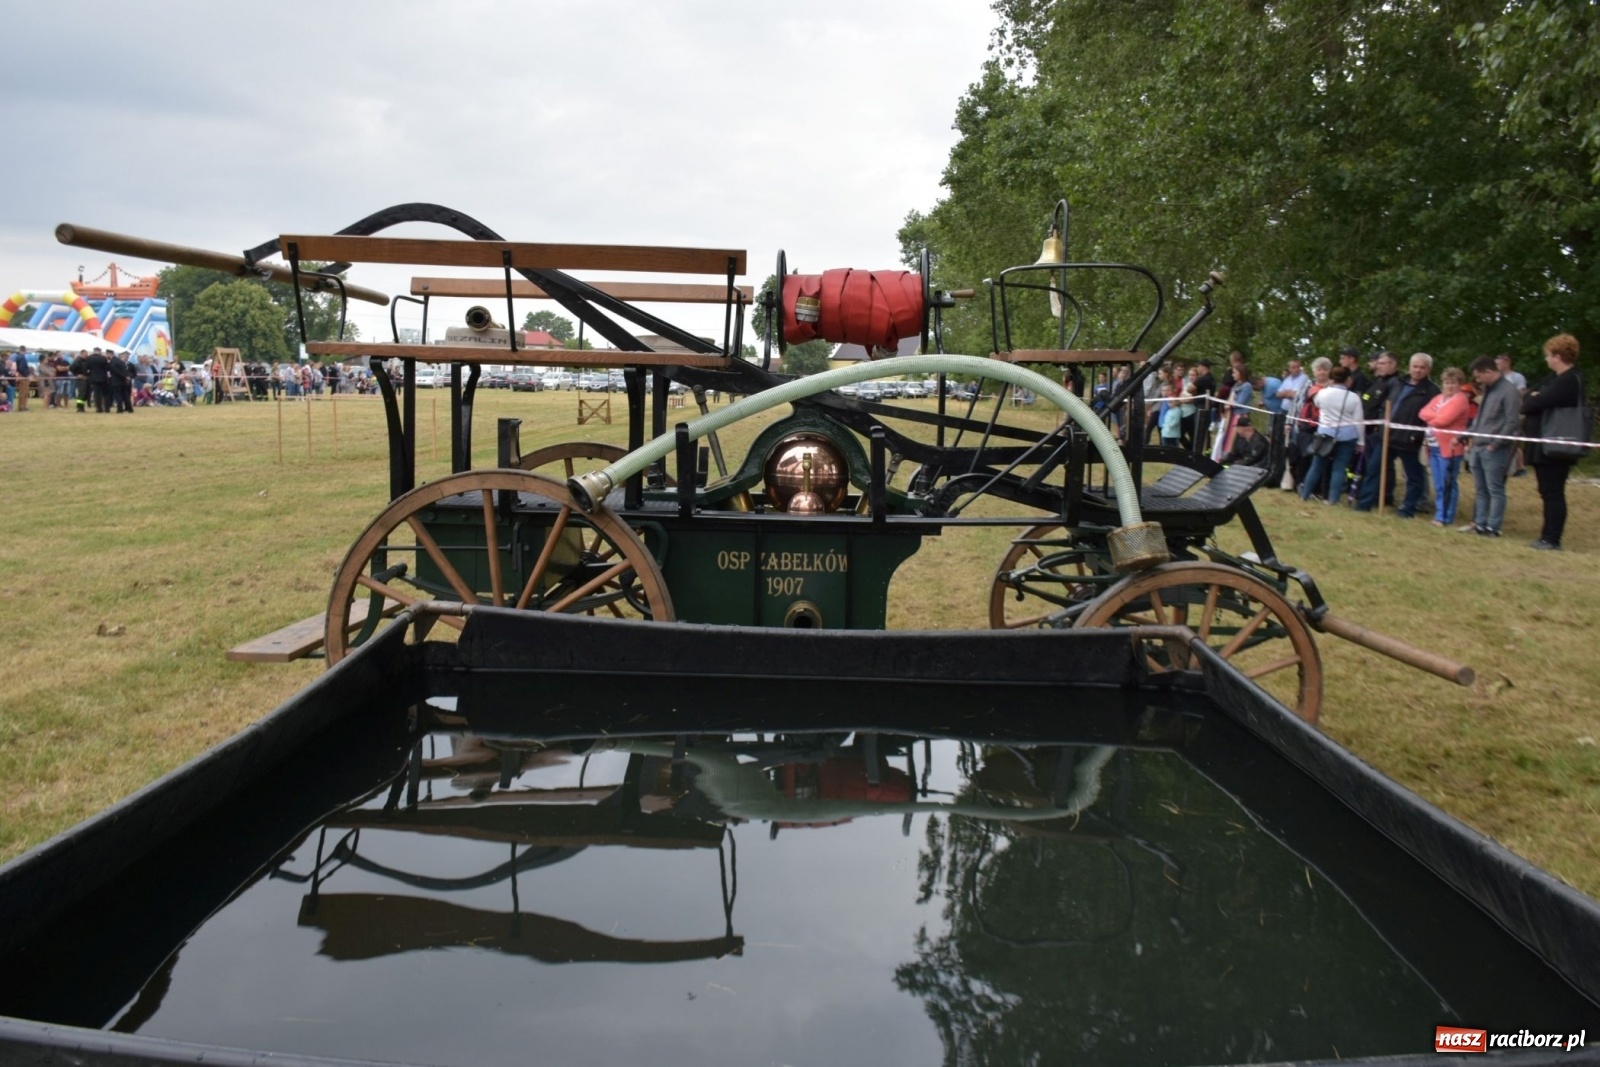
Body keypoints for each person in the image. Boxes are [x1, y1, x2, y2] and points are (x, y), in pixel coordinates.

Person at [1520, 333, 1584, 551]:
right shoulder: (1553, 379)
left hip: (1557, 444)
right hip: (1543, 443)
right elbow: (1527, 399)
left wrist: (1537, 398)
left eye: (1548, 355)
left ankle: (1552, 538)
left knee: (1553, 491)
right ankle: (1546, 536)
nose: (1546, 360)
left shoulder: (1570, 380)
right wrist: (1534, 397)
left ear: (1557, 356)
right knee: (1546, 490)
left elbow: (1533, 404)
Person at [1464, 354, 1521, 537]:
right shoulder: (1487, 389)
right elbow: (1480, 419)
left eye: (1479, 376)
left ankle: (1493, 527)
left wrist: (1495, 444)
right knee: (1481, 489)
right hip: (1478, 446)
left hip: (1494, 449)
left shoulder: (1509, 390)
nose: (1477, 380)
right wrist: (1466, 437)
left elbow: (1512, 422)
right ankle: (1479, 524)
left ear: (1488, 372)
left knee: (1495, 489)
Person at [1386, 353, 1440, 518]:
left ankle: (1408, 508)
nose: (1417, 370)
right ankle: (1378, 500)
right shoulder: (1397, 383)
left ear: (1428, 370)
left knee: (1413, 475)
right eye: (1415, 366)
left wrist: (1417, 434)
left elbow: (1431, 416)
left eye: (1422, 367)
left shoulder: (1431, 391)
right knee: (1379, 468)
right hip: (1389, 434)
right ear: (1409, 367)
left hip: (1410, 438)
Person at [1299, 365, 1363, 504]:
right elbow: (1359, 421)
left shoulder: (1322, 393)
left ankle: (1305, 494)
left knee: (1316, 466)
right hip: (1347, 435)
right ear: (1348, 379)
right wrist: (1361, 441)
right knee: (1339, 468)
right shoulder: (1354, 398)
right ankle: (1333, 499)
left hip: (1325, 433)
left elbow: (1316, 403)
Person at [1419, 367, 1474, 528]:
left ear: (1459, 384)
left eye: (1453, 383)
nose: (1449, 386)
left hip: (1450, 447)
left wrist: (1433, 418)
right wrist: (1436, 417)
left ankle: (1445, 517)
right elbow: (1422, 413)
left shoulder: (1460, 399)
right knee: (1437, 483)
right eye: (1446, 383)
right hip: (1433, 446)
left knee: (1447, 482)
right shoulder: (1438, 398)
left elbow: (1444, 420)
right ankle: (1439, 513)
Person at [1353, 351, 1400, 511]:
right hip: (1368, 429)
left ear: (1393, 365)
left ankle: (1378, 498)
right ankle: (1376, 496)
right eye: (1378, 363)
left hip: (1379, 431)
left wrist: (1377, 426)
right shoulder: (1378, 381)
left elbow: (1388, 407)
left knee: (1378, 466)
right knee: (1371, 465)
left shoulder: (1395, 383)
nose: (1379, 366)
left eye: (1383, 363)